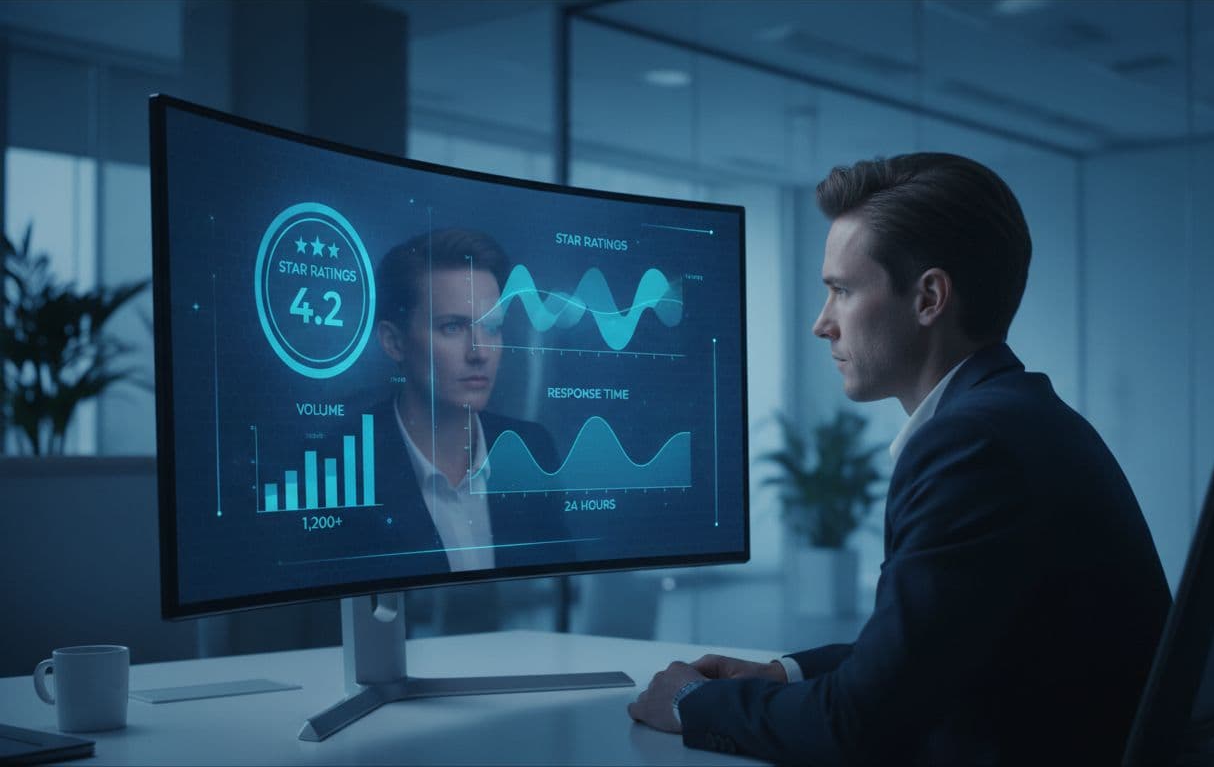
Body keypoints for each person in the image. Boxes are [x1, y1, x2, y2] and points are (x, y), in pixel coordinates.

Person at [627, 153, 1172, 764]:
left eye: (841, 290)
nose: (821, 324)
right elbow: (920, 652)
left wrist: (691, 704)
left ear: (929, 297)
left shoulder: (974, 446)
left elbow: (858, 725)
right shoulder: (1018, 415)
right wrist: (782, 673)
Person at [369, 228, 571, 571]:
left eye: (491, 327)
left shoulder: (531, 450)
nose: (479, 352)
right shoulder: (346, 465)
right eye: (452, 327)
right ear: (394, 342)